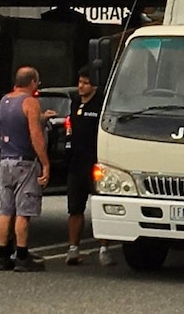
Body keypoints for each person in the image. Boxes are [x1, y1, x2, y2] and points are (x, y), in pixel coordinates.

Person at [0, 66, 54, 272]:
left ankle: (3, 256)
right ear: (32, 82)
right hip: (25, 162)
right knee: (23, 211)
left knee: (5, 210)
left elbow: (14, 124)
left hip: (5, 161)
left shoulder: (4, 101)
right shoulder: (30, 102)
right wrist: (45, 163)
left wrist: (42, 118)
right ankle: (22, 255)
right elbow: (35, 135)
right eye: (37, 82)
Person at [65, 65, 115, 266]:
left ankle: (104, 249)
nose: (81, 86)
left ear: (94, 86)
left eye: (85, 83)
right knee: (75, 208)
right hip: (76, 163)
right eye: (80, 82)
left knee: (101, 205)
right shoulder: (75, 102)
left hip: (95, 162)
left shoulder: (101, 104)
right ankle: (73, 249)